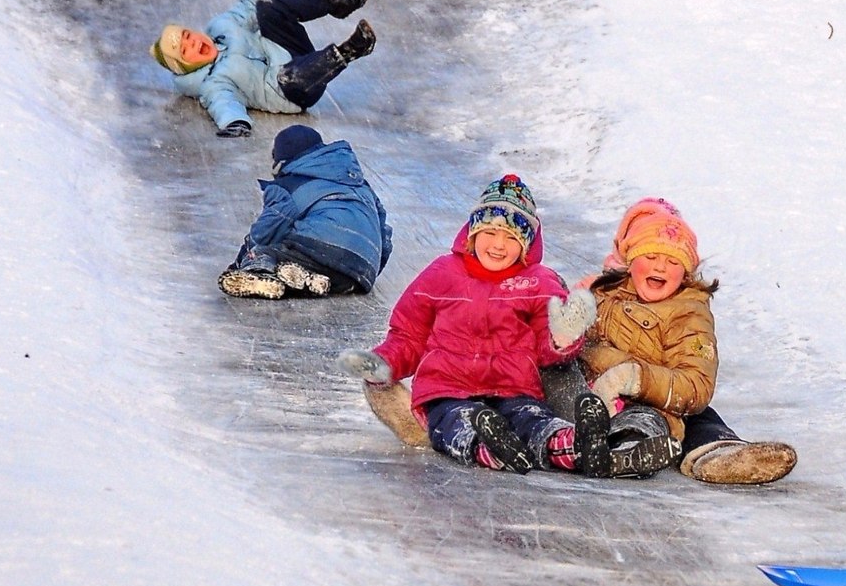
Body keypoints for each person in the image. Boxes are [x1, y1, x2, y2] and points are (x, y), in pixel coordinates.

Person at [335, 175, 612, 476]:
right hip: (449, 390)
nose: (498, 245)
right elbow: (410, 335)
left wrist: (562, 336)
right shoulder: (441, 274)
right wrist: (384, 362)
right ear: (472, 232)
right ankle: (486, 446)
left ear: (526, 246)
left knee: (533, 419)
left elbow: (547, 353)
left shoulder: (539, 282)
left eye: (511, 238)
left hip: (513, 389)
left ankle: (571, 445)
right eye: (490, 232)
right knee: (458, 421)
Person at [572, 197, 797, 484]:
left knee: (681, 416)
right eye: (651, 256)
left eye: (672, 260)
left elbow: (696, 383)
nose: (661, 267)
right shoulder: (602, 292)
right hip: (588, 399)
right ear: (630, 257)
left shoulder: (688, 311)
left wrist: (635, 379)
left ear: (687, 270)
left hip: (651, 404)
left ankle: (701, 452)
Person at [149, 0, 375, 137]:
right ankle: (352, 49)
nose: (194, 44)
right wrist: (234, 123)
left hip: (288, 50)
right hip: (291, 90)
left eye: (189, 37)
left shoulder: (222, 28)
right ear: (186, 66)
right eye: (186, 51)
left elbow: (248, 5)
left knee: (266, 7)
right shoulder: (213, 82)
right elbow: (224, 104)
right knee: (289, 76)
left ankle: (335, 4)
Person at [217, 124, 393, 300]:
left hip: (320, 246)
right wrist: (369, 268)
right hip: (362, 269)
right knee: (301, 266)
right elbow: (384, 235)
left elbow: (266, 231)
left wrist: (241, 260)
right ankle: (311, 281)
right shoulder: (361, 185)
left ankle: (258, 271)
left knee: (264, 252)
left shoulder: (289, 185)